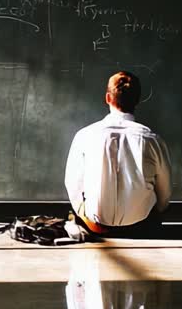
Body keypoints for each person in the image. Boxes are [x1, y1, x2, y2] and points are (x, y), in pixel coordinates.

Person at [65, 71, 171, 235]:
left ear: (108, 98)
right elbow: (164, 193)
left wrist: (83, 212)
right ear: (137, 100)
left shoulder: (85, 135)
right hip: (141, 227)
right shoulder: (152, 139)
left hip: (95, 226)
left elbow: (73, 183)